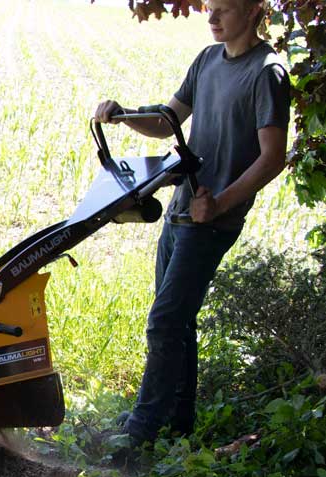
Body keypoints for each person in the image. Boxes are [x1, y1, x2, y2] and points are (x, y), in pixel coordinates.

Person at [93, 0, 291, 447]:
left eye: (223, 10)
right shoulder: (206, 60)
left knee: (164, 322)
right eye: (211, 9)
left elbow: (272, 157)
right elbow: (168, 122)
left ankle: (141, 432)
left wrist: (220, 203)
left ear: (253, 12)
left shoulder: (267, 73)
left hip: (212, 219)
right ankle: (176, 424)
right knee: (178, 322)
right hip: (183, 209)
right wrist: (123, 114)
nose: (212, 18)